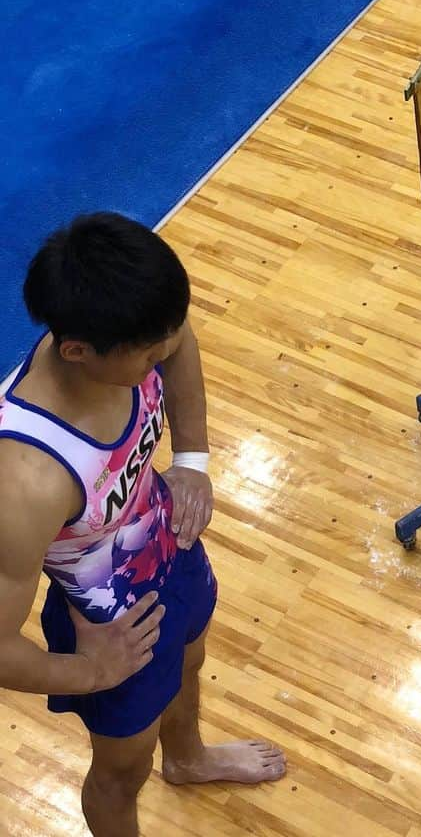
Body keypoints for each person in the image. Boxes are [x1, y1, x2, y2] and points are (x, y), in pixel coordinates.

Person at [0, 213, 286, 837]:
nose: (166, 351)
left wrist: (192, 460)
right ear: (75, 350)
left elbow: (178, 340)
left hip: (170, 549)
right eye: (149, 354)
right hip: (109, 626)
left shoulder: (125, 329)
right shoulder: (24, 482)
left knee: (190, 660)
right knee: (121, 775)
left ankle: (187, 760)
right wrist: (89, 671)